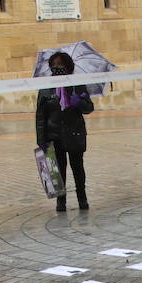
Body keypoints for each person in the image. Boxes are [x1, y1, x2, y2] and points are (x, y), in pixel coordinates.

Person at [35, 51, 95, 213]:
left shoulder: (77, 84)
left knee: (78, 167)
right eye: (54, 65)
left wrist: (78, 101)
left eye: (60, 65)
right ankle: (61, 201)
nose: (57, 68)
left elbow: (89, 108)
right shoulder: (46, 88)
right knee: (58, 170)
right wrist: (42, 140)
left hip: (74, 133)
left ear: (68, 66)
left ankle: (82, 198)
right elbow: (41, 115)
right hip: (54, 135)